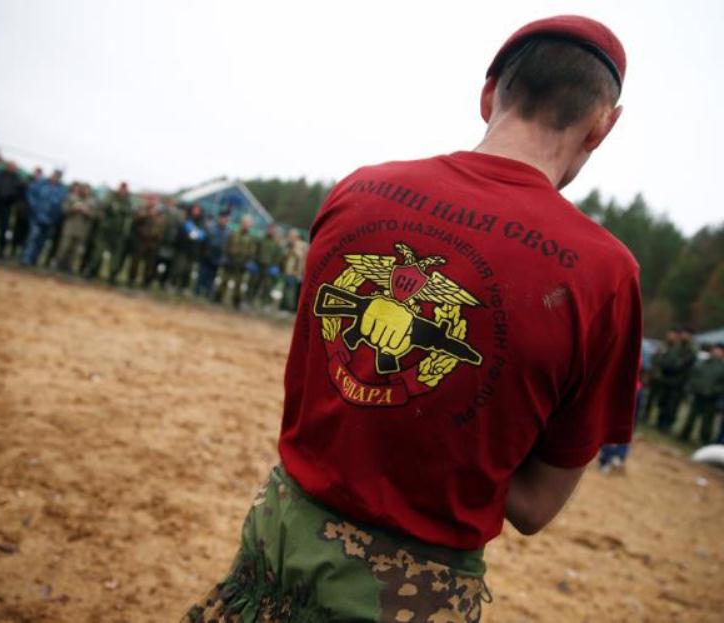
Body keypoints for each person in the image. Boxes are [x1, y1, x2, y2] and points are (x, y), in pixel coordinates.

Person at [184, 15, 641, 623]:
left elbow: (322, 378)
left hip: (274, 544)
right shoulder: (604, 274)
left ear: (489, 95)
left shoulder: (358, 192)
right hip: (407, 595)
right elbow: (534, 505)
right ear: (603, 125)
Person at [83, 182, 132, 283]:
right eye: (122, 188)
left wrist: (118, 208)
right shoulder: (111, 197)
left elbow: (129, 211)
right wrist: (113, 207)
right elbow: (105, 206)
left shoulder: (128, 201)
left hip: (118, 234)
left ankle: (112, 276)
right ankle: (91, 271)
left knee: (116, 257)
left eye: (125, 189)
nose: (123, 191)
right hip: (105, 231)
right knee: (97, 253)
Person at [20, 169, 67, 266]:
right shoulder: (41, 184)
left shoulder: (62, 189)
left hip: (50, 220)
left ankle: (34, 260)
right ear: (52, 175)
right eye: (55, 175)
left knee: (42, 241)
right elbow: (30, 194)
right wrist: (34, 207)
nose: (56, 177)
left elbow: (62, 204)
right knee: (33, 237)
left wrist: (55, 217)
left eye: (58, 176)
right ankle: (26, 258)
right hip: (36, 216)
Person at [680, 343, 724, 446]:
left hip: (711, 399)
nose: (716, 352)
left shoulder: (722, 368)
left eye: (719, 351)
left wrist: (713, 391)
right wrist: (694, 386)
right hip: (698, 395)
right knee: (691, 417)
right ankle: (684, 435)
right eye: (715, 349)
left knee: (707, 421)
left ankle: (704, 441)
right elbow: (694, 375)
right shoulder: (704, 363)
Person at [653, 328, 697, 431]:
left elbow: (679, 365)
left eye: (686, 334)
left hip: (679, 383)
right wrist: (667, 365)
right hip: (668, 379)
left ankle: (666, 425)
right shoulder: (676, 347)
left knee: (672, 405)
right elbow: (665, 360)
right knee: (663, 401)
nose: (683, 336)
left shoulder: (691, 350)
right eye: (682, 333)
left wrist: (669, 365)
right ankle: (660, 421)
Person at [214, 213, 257, 308]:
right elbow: (226, 246)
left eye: (248, 223)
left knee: (239, 285)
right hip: (230, 261)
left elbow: (252, 252)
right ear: (241, 223)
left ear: (250, 225)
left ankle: (236, 303)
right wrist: (225, 257)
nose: (246, 225)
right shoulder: (233, 234)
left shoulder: (251, 238)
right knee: (224, 280)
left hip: (241, 264)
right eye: (244, 223)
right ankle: (217, 299)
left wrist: (248, 262)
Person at [55, 183, 96, 273]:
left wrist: (87, 211)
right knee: (64, 247)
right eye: (84, 189)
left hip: (82, 230)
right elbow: (64, 210)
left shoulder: (92, 202)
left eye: (87, 190)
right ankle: (57, 265)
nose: (85, 191)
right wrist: (73, 208)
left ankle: (68, 268)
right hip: (69, 228)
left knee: (75, 251)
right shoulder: (72, 198)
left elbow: (95, 216)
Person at [0, 161, 26, 259]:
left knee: (4, 229)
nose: (11, 168)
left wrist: (12, 200)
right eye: (10, 166)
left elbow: (19, 194)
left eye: (13, 167)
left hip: (7, 207)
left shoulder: (18, 179)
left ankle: (1, 250)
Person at [127, 194, 165, 287]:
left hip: (153, 242)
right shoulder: (142, 209)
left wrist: (158, 237)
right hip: (141, 240)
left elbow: (162, 227)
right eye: (151, 200)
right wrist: (147, 214)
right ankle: (131, 280)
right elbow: (136, 221)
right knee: (135, 261)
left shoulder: (160, 213)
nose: (153, 202)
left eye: (155, 200)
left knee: (150, 264)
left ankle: (145, 282)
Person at [171, 203, 207, 291]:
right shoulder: (186, 220)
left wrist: (197, 236)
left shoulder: (201, 223)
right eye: (195, 209)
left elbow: (203, 236)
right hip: (182, 249)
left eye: (198, 210)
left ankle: (184, 287)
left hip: (193, 251)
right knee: (178, 268)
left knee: (188, 270)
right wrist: (187, 236)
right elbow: (179, 233)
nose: (196, 211)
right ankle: (173, 284)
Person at [194, 209, 230, 299]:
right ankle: (197, 293)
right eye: (223, 218)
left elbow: (227, 246)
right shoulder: (211, 228)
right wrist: (204, 253)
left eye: (226, 219)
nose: (224, 221)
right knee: (202, 274)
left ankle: (207, 294)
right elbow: (204, 241)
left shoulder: (228, 232)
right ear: (219, 218)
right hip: (207, 255)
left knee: (212, 276)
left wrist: (223, 258)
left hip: (217, 258)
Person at [249, 223, 285, 308]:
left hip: (269, 268)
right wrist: (253, 261)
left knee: (267, 286)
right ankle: (249, 300)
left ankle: (264, 305)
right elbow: (255, 251)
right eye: (270, 229)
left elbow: (279, 255)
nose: (271, 231)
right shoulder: (261, 239)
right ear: (267, 229)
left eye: (273, 229)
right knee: (254, 283)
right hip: (258, 266)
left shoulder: (277, 243)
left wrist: (275, 266)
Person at [280, 228, 306, 313]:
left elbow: (301, 258)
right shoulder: (287, 244)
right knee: (285, 289)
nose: (290, 238)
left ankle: (289, 308)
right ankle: (283, 307)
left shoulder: (301, 245)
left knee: (291, 291)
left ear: (296, 237)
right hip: (287, 271)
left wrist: (300, 273)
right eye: (290, 236)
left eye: (292, 236)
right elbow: (284, 255)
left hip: (295, 273)